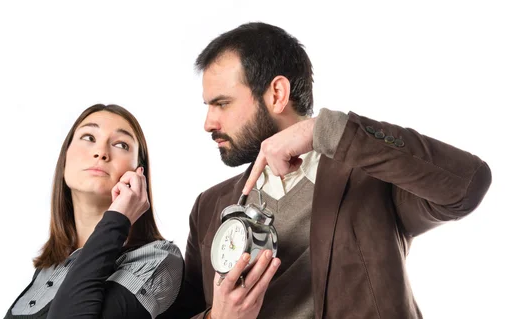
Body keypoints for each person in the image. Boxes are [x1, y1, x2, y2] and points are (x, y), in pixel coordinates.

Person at [165, 22, 492, 319]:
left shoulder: (372, 175)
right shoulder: (209, 206)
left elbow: (466, 185)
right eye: (207, 106)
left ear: (277, 94)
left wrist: (325, 131)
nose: (209, 123)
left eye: (222, 103)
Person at [3, 104, 183, 319]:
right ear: (65, 158)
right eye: (89, 138)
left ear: (138, 172)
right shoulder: (49, 268)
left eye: (121, 144)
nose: (101, 153)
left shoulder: (156, 259)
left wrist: (119, 219)